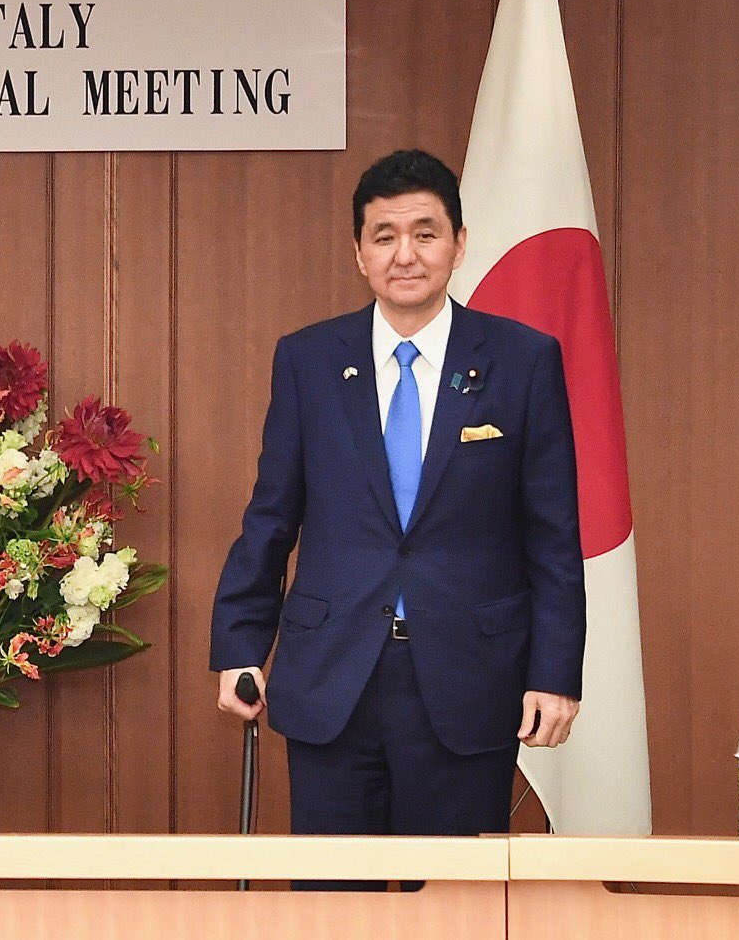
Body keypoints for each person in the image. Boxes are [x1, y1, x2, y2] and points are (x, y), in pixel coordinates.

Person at [210, 148, 584, 854]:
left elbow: (553, 536)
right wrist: (240, 643)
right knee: (332, 898)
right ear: (359, 253)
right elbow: (271, 515)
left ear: (458, 244)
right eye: (384, 236)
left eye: (424, 233)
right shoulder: (309, 360)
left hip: (469, 679)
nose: (404, 255)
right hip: (333, 676)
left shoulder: (522, 360)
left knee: (452, 901)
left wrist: (554, 673)